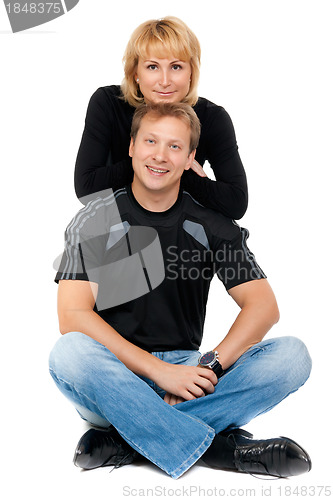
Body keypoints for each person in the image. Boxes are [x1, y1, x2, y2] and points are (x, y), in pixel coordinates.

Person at [49, 102, 312, 480]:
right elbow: (72, 315)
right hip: (112, 376)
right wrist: (159, 372)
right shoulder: (96, 217)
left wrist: (207, 367)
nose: (159, 155)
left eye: (174, 147)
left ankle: (130, 440)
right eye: (150, 141)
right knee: (68, 353)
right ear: (131, 147)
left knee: (292, 357)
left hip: (189, 373)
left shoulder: (212, 222)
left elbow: (263, 306)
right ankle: (221, 449)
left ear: (190, 157)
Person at [74, 16, 248, 219]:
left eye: (176, 67)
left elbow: (236, 203)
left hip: (180, 226)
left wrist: (180, 171)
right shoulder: (108, 103)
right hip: (119, 225)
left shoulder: (212, 118)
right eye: (152, 67)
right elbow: (87, 189)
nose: (165, 81)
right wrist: (161, 164)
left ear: (191, 72)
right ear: (135, 73)